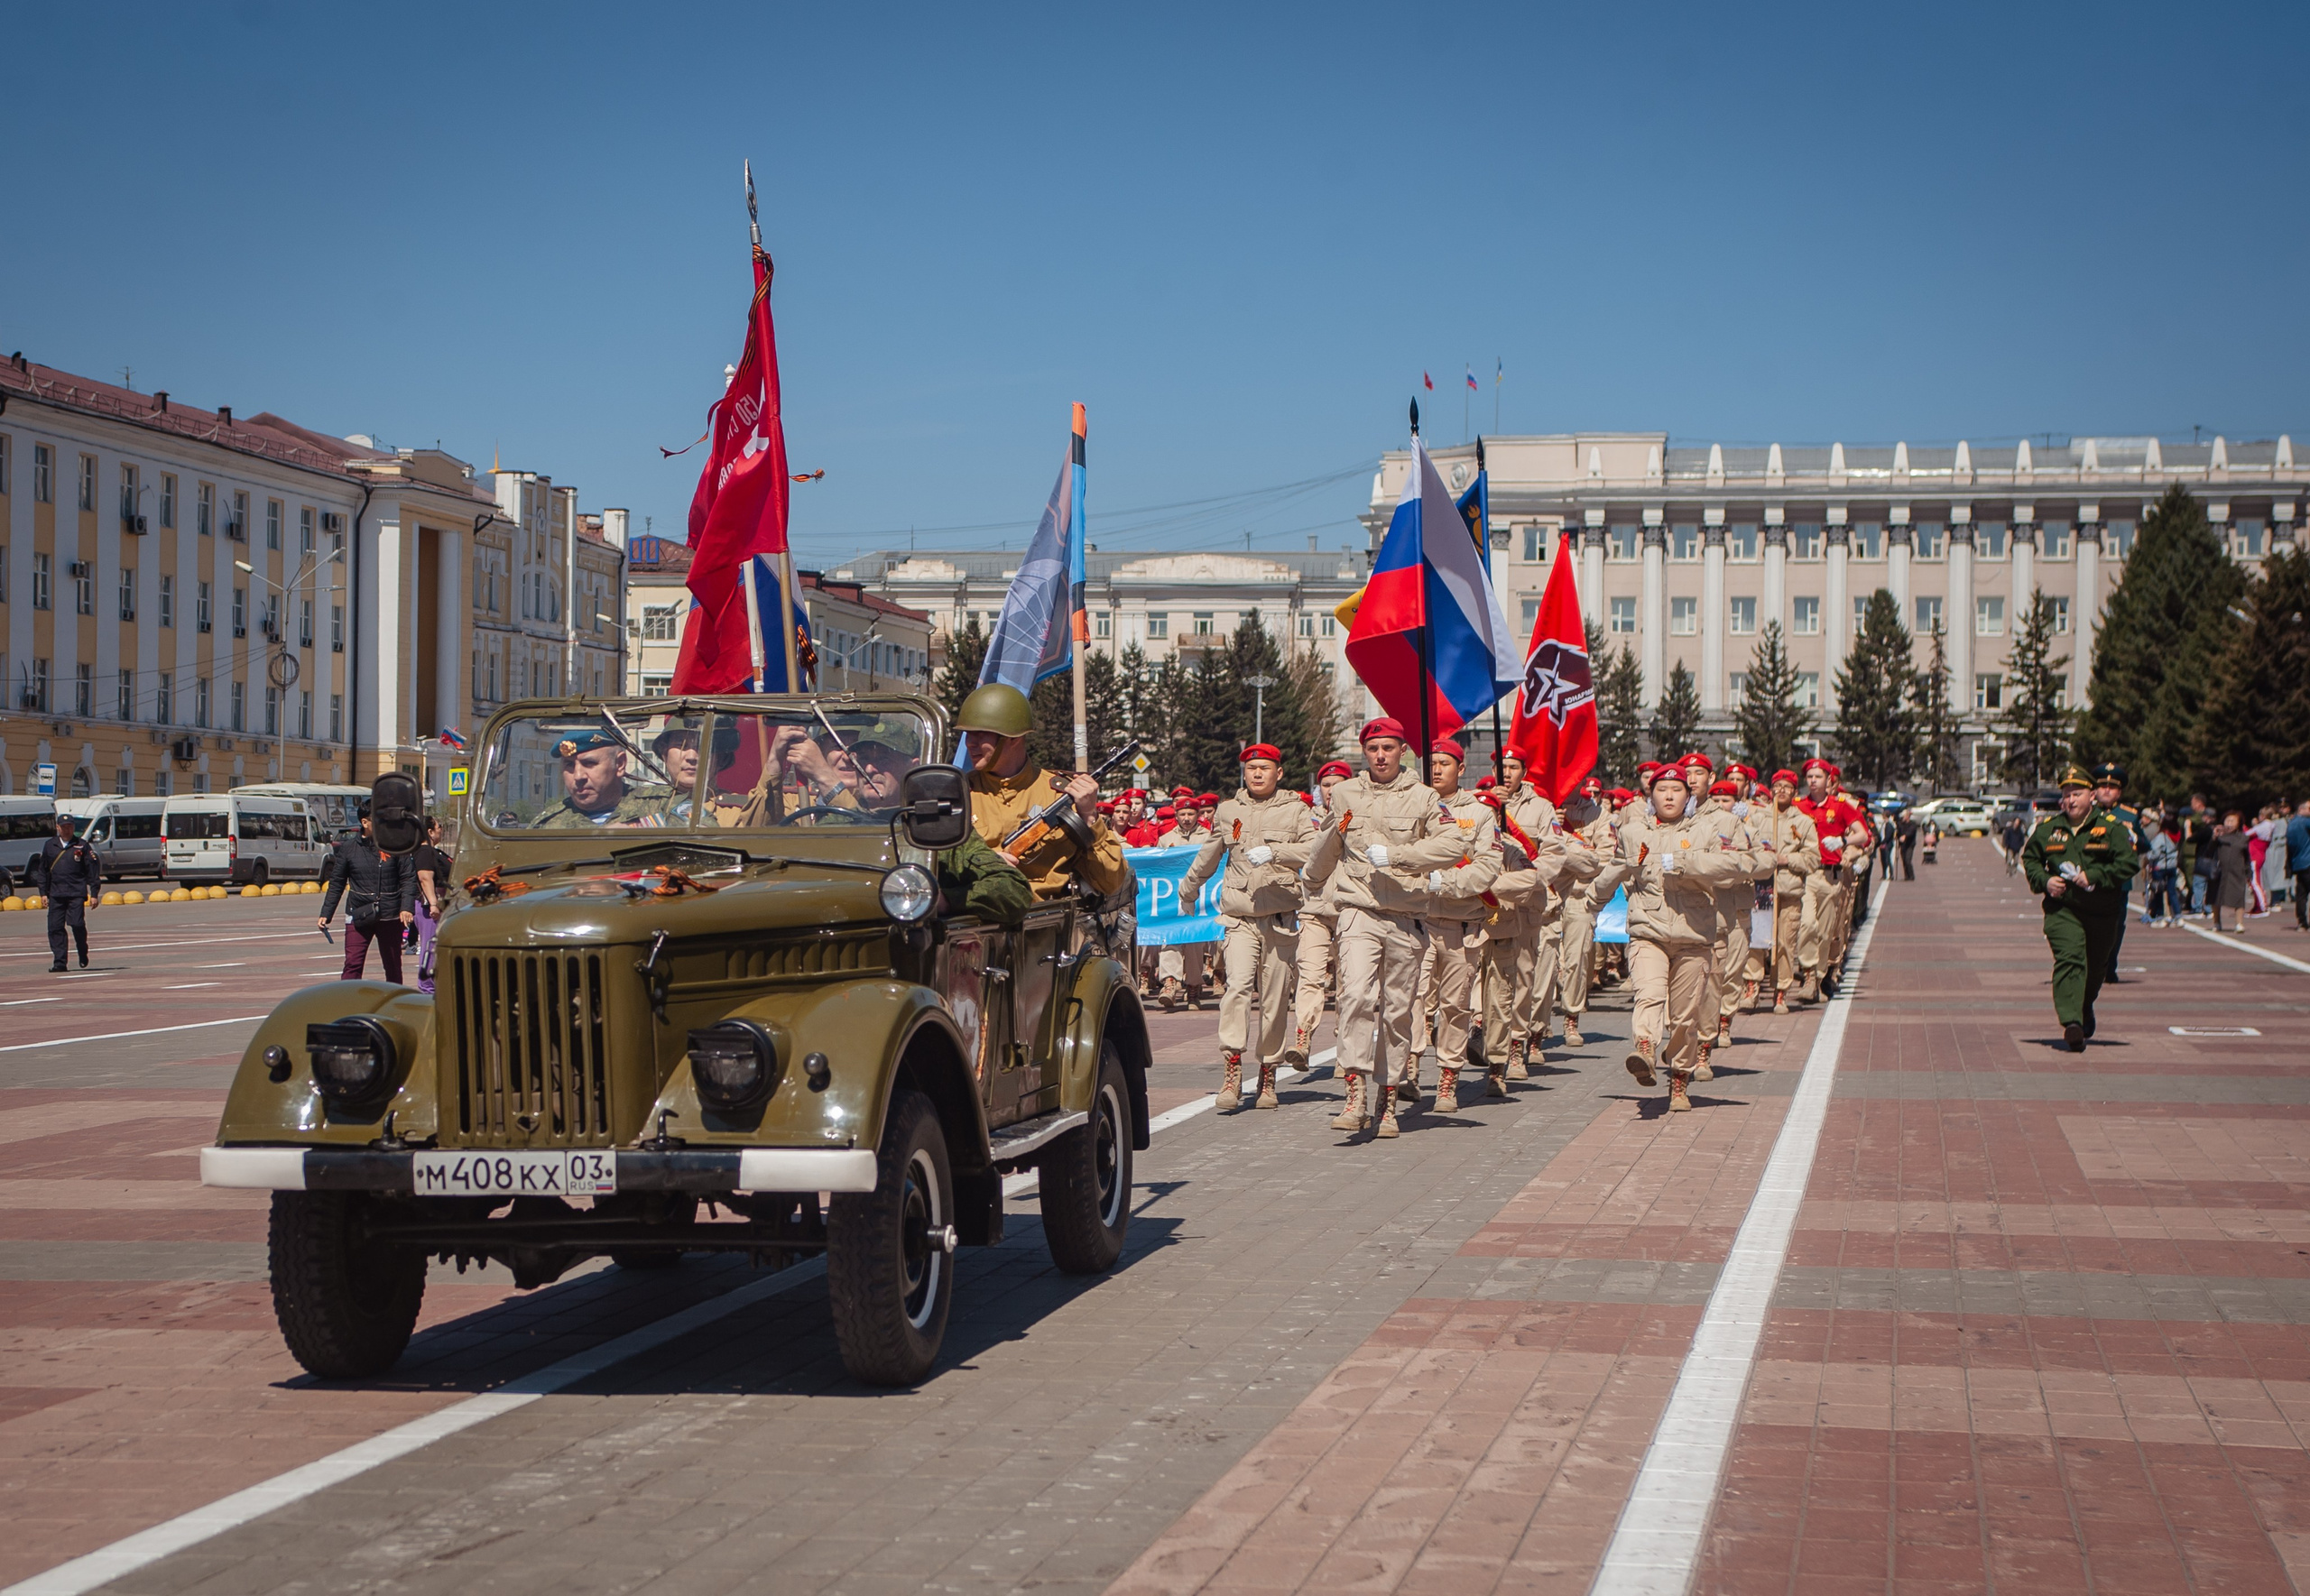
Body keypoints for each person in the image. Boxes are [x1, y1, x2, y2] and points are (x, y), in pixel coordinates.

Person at [1303, 717, 1490, 1139]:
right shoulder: (1347, 793)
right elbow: (1332, 839)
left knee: (1398, 1010)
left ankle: (1387, 1099)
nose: (1381, 756)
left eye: (1389, 748)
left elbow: (1454, 844)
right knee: (1353, 995)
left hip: (1406, 917)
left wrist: (1401, 856)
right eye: (1373, 749)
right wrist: (1312, 880)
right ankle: (1355, 1094)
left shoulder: (1424, 798)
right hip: (1359, 910)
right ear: (1364, 752)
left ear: (1403, 751)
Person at [1180, 743, 1319, 1111]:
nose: (1257, 774)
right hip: (1240, 917)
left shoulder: (1296, 810)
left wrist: (1277, 852)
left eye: (1265, 768)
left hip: (1280, 918)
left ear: (1279, 773)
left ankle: (1268, 1074)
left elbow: (1315, 850)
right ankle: (1232, 1070)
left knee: (1274, 1000)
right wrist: (1189, 887)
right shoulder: (1229, 811)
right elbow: (1210, 852)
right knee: (1237, 990)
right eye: (1251, 768)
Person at [1616, 762, 1746, 1111]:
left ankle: (1678, 1080)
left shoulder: (1707, 830)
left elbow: (1734, 867)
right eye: (1661, 789)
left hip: (1693, 936)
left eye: (1677, 790)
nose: (1669, 795)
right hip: (1649, 933)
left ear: (1688, 796)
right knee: (1649, 993)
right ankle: (1644, 1047)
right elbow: (1621, 872)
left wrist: (1691, 865)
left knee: (1685, 1017)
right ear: (1650, 795)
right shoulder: (1631, 832)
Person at [956, 684, 1128, 902]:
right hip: (973, 925)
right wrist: (983, 864)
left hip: (1043, 926)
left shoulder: (1059, 794)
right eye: (968, 734)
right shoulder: (958, 795)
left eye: (980, 735)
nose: (970, 743)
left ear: (1013, 738)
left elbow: (1111, 881)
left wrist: (1090, 816)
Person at [1414, 739, 1503, 1109]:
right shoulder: (1412, 805)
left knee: (1455, 1005)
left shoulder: (1480, 815)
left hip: (1460, 924)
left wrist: (1445, 882)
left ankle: (1448, 1078)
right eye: (1431, 763)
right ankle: (1410, 1067)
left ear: (1461, 769)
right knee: (1410, 999)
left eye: (1444, 763)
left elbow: (1486, 868)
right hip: (1415, 920)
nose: (1436, 770)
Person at [2022, 765, 2138, 1052]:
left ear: (2092, 796)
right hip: (2063, 909)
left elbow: (2129, 864)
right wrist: (2045, 881)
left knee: (2095, 969)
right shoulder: (2048, 830)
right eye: (2066, 794)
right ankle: (2071, 1022)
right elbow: (2031, 860)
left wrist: (2096, 877)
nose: (2071, 799)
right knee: (2070, 959)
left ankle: (2084, 1008)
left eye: (2077, 793)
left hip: (2102, 912)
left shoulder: (2112, 830)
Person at [1292, 760, 1354, 1059]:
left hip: (1349, 909)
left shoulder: (1358, 816)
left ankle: (1344, 1042)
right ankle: (1303, 1036)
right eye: (1326, 785)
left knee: (1348, 983)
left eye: (1337, 784)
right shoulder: (1307, 820)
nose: (1331, 790)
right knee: (1310, 974)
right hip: (1314, 908)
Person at [319, 803, 419, 983]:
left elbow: (408, 878)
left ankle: (394, 1002)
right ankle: (349, 1000)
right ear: (365, 822)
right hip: (358, 913)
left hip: (390, 915)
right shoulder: (349, 849)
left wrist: (407, 907)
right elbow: (337, 883)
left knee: (393, 964)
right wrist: (326, 913)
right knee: (353, 963)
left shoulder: (396, 846)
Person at [1554, 775, 1615, 1047]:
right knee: (1544, 963)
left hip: (1580, 897)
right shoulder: (1543, 808)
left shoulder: (1597, 813)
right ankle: (1536, 1025)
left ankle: (1571, 1018)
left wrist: (1566, 854)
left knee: (1577, 960)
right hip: (1545, 895)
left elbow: (1604, 859)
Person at [539, 729, 668, 827]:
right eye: (569, 765)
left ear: (620, 764)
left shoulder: (663, 806)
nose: (578, 776)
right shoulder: (548, 824)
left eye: (589, 763)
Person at [2091, 763, 2139, 981]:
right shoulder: (2087, 813)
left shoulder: (2129, 816)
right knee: (2091, 925)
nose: (2107, 791)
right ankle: (2094, 966)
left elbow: (2143, 843)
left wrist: (2132, 840)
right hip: (2091, 879)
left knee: (2116, 926)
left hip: (2119, 882)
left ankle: (2110, 967)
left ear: (2119, 792)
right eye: (2102, 787)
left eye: (2112, 787)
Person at [38, 812, 101, 973]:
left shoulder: (82, 845)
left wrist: (94, 893)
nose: (67, 830)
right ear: (58, 827)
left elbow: (92, 871)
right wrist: (43, 893)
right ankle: (60, 962)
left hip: (76, 893)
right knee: (55, 928)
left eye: (70, 827)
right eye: (64, 827)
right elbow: (43, 871)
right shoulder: (50, 845)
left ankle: (82, 949)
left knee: (77, 924)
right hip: (56, 894)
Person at [411, 817, 452, 995]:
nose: (441, 830)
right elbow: (425, 878)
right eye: (439, 827)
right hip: (430, 908)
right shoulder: (424, 852)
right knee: (431, 948)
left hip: (437, 906)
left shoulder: (434, 851)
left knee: (437, 947)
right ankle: (427, 988)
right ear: (429, 831)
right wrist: (434, 904)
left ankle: (436, 986)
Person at [2210, 811, 2253, 934]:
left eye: (2232, 821)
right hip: (2219, 871)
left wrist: (2248, 872)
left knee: (2239, 897)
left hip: (2237, 871)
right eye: (2227, 820)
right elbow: (2209, 851)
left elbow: (2247, 857)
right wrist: (2214, 837)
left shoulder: (2243, 838)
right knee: (2216, 897)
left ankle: (2239, 923)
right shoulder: (2218, 837)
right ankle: (2216, 922)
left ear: (2238, 823)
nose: (2229, 823)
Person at [2143, 817, 2183, 927]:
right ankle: (2178, 917)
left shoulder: (2162, 836)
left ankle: (2160, 917)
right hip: (2172, 866)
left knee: (2158, 891)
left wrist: (2148, 857)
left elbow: (2155, 852)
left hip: (2160, 867)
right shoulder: (2177, 836)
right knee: (2172, 892)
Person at [2289, 798, 2310, 933]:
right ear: (2301, 809)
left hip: (2297, 863)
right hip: (2308, 861)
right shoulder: (2305, 822)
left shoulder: (2291, 823)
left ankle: (2302, 922)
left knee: (2301, 894)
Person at [1895, 806, 1918, 881]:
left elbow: (1911, 832)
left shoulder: (1912, 824)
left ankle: (1911, 875)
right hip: (1903, 845)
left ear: (1907, 816)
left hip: (1910, 844)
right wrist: (1897, 835)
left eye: (1904, 816)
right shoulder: (1901, 824)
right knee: (1904, 860)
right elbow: (1898, 831)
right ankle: (1906, 875)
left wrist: (1905, 836)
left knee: (1908, 860)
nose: (1903, 818)